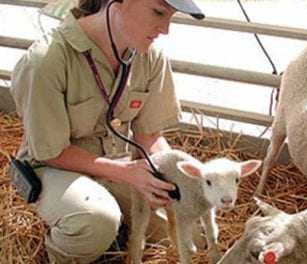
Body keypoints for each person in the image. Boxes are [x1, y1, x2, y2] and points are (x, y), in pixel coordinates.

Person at [10, 0, 204, 263]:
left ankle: (112, 236)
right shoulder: (46, 60)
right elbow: (50, 151)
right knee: (96, 220)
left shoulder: (150, 58)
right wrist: (127, 173)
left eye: (171, 17)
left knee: (194, 230)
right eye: (158, 12)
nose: (165, 29)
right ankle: (57, 254)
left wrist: (173, 178)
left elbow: (150, 137)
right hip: (53, 167)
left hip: (117, 168)